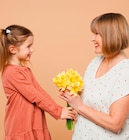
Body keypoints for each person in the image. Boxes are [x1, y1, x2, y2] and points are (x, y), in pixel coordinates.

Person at [59, 13, 129, 140]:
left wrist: (79, 106)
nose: (92, 38)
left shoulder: (125, 71)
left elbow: (115, 124)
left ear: (111, 36)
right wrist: (72, 95)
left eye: (97, 34)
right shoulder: (95, 62)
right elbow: (90, 100)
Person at [0, 25, 75, 140]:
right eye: (28, 46)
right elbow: (34, 96)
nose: (32, 50)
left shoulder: (26, 70)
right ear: (13, 49)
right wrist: (58, 112)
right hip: (21, 127)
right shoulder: (10, 73)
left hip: (35, 123)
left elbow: (40, 92)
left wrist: (59, 109)